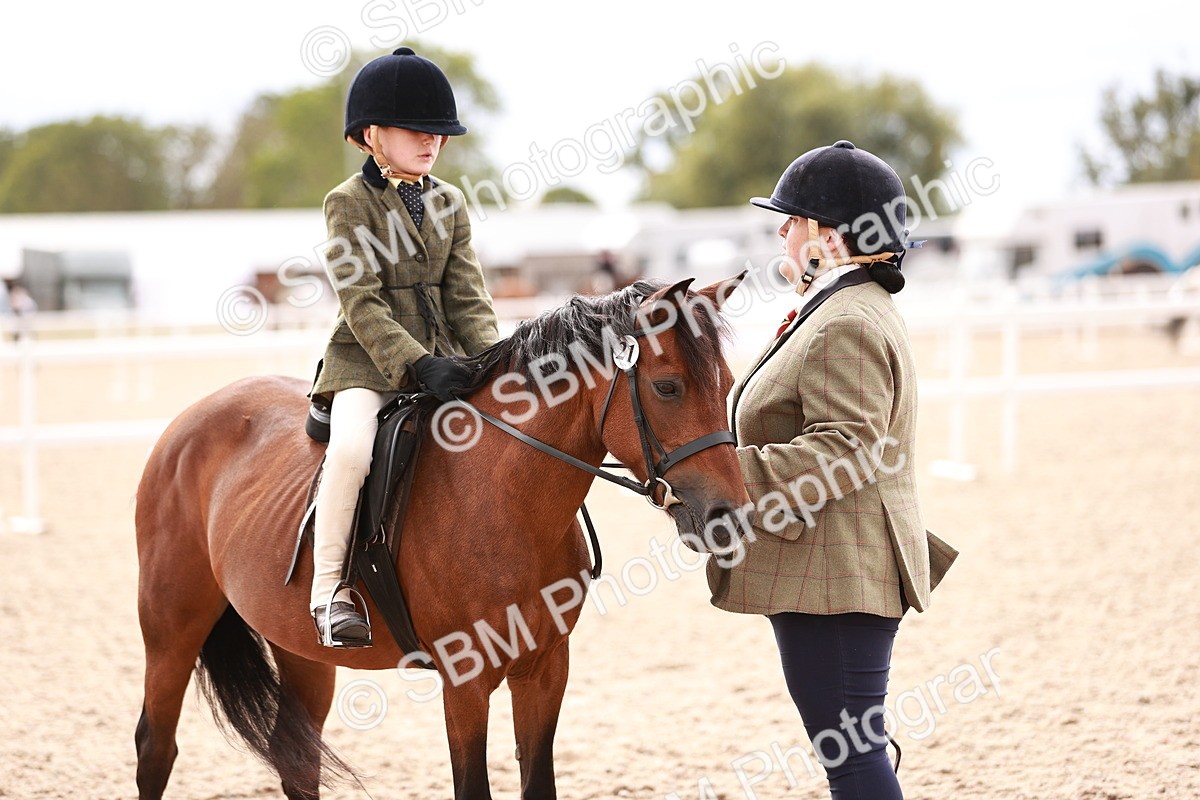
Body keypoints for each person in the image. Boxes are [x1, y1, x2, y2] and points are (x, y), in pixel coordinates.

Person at [708, 141, 959, 798]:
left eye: (791, 221)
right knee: (850, 747)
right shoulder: (833, 306)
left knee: (852, 756)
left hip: (842, 570)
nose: (781, 233)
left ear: (829, 234)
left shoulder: (844, 320)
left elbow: (847, 449)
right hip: (824, 566)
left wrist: (726, 476)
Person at [307, 47, 500, 647]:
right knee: (352, 453)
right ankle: (330, 591)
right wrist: (416, 363)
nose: (432, 143)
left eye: (439, 133)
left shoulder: (450, 202)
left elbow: (468, 296)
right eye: (417, 131)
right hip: (368, 362)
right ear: (372, 135)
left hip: (446, 356)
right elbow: (360, 301)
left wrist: (497, 362)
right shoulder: (347, 203)